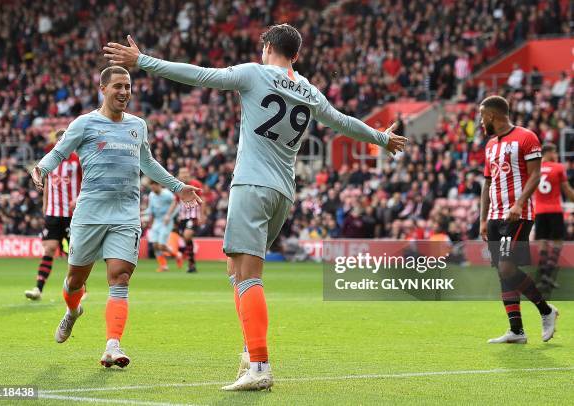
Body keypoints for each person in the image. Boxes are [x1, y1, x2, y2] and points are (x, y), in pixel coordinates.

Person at [104, 25, 406, 390]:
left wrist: (143, 61)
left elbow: (199, 76)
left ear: (267, 48)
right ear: (296, 55)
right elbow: (341, 121)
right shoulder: (309, 90)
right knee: (236, 268)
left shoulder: (254, 73)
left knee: (248, 275)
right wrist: (381, 138)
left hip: (251, 185)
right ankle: (250, 351)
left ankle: (259, 366)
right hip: (283, 192)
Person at [30, 66, 201, 368]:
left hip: (125, 215)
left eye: (128, 86)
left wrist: (178, 187)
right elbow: (59, 152)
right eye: (118, 86)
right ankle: (72, 312)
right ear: (103, 88)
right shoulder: (84, 124)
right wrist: (42, 168)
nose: (124, 92)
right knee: (74, 281)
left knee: (119, 278)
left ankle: (112, 345)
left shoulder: (138, 126)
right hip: (89, 214)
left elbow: (147, 163)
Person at [478, 95, 558, 344]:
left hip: (518, 214)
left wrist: (520, 202)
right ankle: (516, 331)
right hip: (494, 216)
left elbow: (535, 175)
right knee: (503, 273)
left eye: (482, 117)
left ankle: (546, 311)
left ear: (492, 115)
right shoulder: (490, 145)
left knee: (507, 267)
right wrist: (482, 219)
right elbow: (487, 183)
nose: (481, 122)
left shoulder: (526, 137)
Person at [25, 131, 82, 300]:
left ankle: (81, 288)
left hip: (72, 214)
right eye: (58, 140)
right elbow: (47, 182)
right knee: (49, 249)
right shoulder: (51, 160)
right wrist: (45, 206)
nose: (60, 143)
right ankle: (38, 289)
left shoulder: (77, 160)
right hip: (53, 213)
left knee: (75, 253)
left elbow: (88, 180)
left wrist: (78, 199)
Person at [534, 143, 574, 294]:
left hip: (539, 211)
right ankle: (548, 274)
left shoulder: (534, 168)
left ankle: (543, 275)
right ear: (549, 152)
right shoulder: (558, 168)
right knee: (557, 242)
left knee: (543, 242)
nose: (556, 154)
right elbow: (567, 190)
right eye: (555, 151)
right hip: (555, 210)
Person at [147, 180, 182, 272]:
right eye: (151, 187)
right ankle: (163, 266)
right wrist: (150, 220)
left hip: (166, 221)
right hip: (157, 221)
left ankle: (177, 255)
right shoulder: (151, 195)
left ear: (158, 185)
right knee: (154, 245)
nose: (153, 189)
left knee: (161, 245)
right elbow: (150, 208)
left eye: (154, 186)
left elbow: (177, 205)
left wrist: (169, 216)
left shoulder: (167, 194)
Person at [176, 167, 204, 273]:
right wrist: (168, 215)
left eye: (186, 173)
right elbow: (176, 201)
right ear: (179, 175)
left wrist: (202, 215)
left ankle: (191, 263)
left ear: (189, 174)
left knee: (187, 235)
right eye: (182, 173)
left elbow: (202, 200)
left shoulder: (195, 183)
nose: (184, 175)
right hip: (182, 216)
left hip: (193, 215)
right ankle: (191, 263)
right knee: (186, 239)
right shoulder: (177, 185)